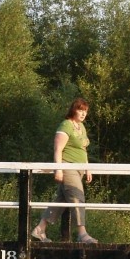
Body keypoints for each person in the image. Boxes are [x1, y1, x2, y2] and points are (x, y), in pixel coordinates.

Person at [31, 97, 98, 244]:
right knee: (77, 197)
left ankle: (40, 228)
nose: (83, 113)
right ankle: (82, 233)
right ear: (73, 110)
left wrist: (88, 168)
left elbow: (83, 149)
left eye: (85, 111)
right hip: (68, 167)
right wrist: (58, 169)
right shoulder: (66, 125)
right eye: (80, 110)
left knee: (61, 200)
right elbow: (58, 149)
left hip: (79, 169)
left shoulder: (82, 127)